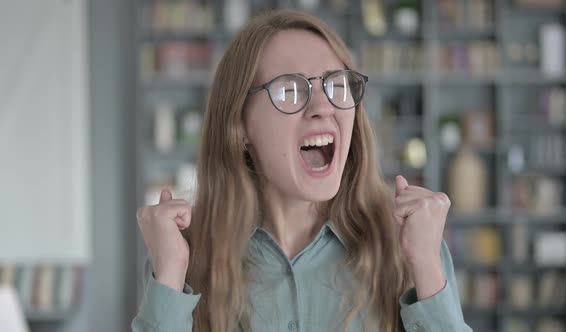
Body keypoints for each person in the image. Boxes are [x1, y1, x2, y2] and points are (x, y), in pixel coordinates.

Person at [132, 9, 472, 332]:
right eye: (289, 90)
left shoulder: (408, 244)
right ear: (240, 125)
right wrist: (171, 273)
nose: (323, 107)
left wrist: (425, 263)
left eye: (336, 84)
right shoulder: (185, 255)